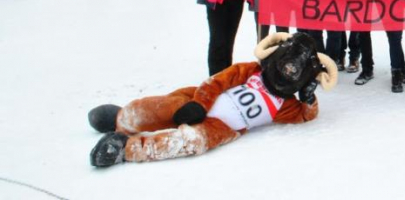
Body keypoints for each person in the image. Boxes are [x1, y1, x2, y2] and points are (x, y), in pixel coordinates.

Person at [86, 32, 337, 167]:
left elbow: (306, 115)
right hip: (200, 99)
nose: (290, 71)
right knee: (165, 107)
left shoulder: (286, 106)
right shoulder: (252, 70)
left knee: (191, 141)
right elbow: (218, 80)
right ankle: (124, 118)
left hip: (223, 128)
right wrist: (200, 104)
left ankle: (127, 150)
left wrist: (308, 98)